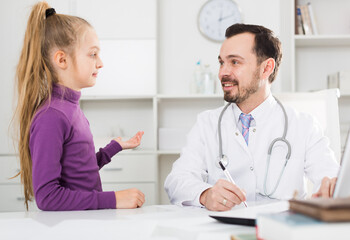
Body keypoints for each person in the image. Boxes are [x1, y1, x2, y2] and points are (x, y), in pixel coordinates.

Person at [164, 23, 339, 211]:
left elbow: (330, 177)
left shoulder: (304, 125)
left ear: (266, 68)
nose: (223, 72)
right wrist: (205, 195)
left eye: (235, 62)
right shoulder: (207, 123)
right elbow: (177, 180)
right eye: (222, 62)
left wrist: (330, 188)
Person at [13, 1, 145, 211]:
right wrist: (113, 199)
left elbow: (79, 171)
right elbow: (48, 198)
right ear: (62, 60)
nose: (100, 62)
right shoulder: (52, 116)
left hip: (83, 223)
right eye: (93, 54)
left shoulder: (71, 109)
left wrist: (114, 148)